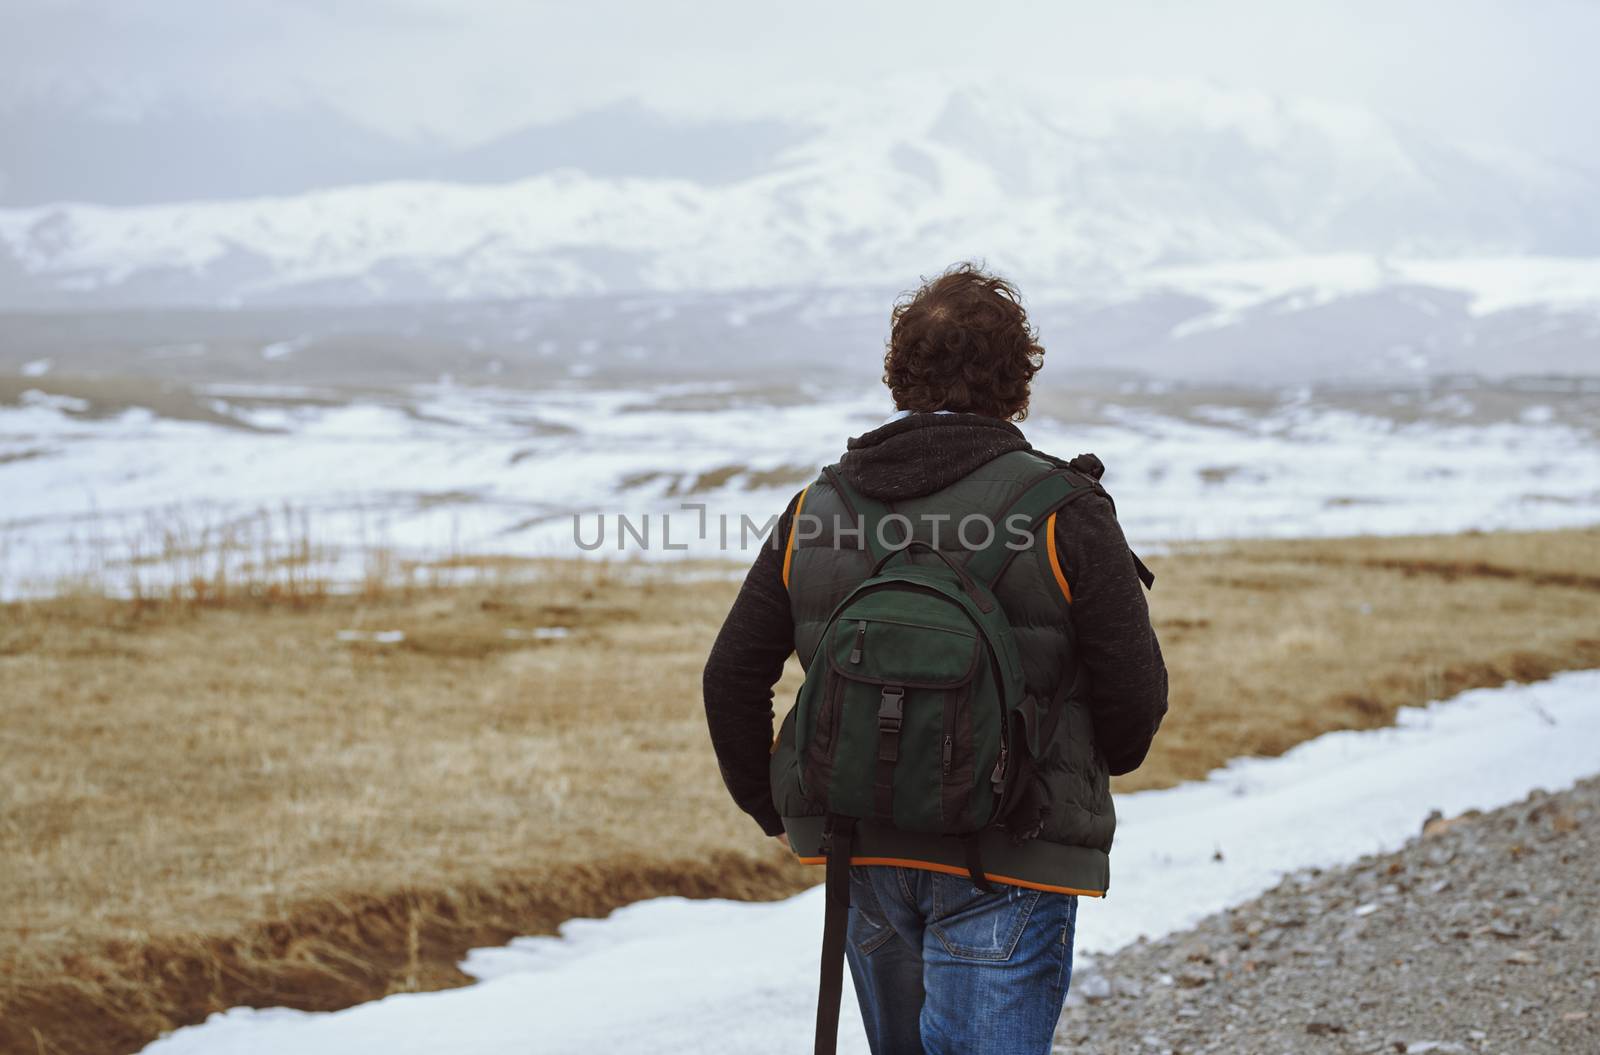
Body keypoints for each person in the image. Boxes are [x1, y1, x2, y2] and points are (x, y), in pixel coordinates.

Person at [703, 263, 1168, 1054]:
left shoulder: (817, 509)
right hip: (1016, 853)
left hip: (864, 848)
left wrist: (778, 809)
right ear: (1017, 379)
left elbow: (731, 677)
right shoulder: (1066, 511)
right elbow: (1134, 707)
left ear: (901, 376)